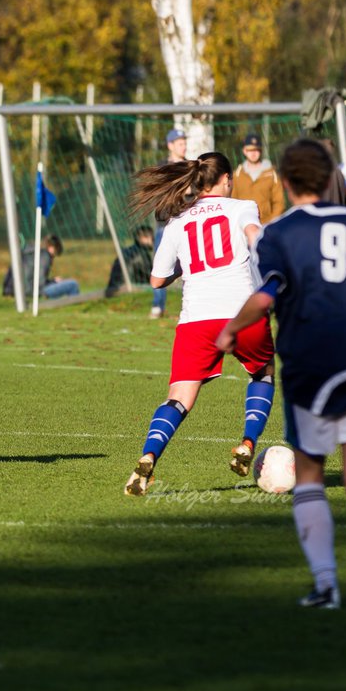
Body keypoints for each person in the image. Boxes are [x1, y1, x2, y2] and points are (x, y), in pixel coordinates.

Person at [216, 139, 346, 609]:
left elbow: (268, 296)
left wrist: (232, 329)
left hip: (314, 359)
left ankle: (326, 584)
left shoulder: (279, 233)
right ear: (333, 177)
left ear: (285, 183)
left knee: (309, 473)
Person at [123, 152, 277, 497]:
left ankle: (148, 457)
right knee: (263, 371)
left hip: (196, 320)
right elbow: (255, 236)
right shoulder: (242, 207)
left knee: (178, 398)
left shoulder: (177, 221)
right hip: (242, 312)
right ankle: (248, 442)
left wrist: (185, 269)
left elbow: (156, 280)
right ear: (225, 180)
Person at [150, 127, 189, 318]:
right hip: (165, 225)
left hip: (186, 223)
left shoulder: (191, 167)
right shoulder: (162, 167)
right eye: (180, 143)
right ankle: (158, 305)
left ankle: (189, 303)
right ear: (170, 145)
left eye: (184, 142)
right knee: (161, 264)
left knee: (189, 265)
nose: (184, 146)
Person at [1, 234, 80, 299]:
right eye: (56, 251)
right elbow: (40, 283)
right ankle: (75, 308)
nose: (54, 256)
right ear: (52, 247)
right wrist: (54, 281)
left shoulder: (29, 252)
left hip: (11, 290)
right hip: (29, 291)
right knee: (73, 284)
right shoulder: (45, 256)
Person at [230, 132, 285, 224]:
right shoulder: (237, 175)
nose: (253, 153)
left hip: (265, 226)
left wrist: (270, 224)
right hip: (243, 226)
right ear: (244, 151)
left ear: (261, 151)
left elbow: (279, 203)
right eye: (250, 150)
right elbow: (232, 201)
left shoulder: (271, 174)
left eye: (256, 150)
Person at [105, 226, 155, 296]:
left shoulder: (126, 251)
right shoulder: (142, 254)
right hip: (127, 290)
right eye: (152, 238)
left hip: (112, 289)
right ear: (143, 238)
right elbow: (152, 278)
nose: (153, 241)